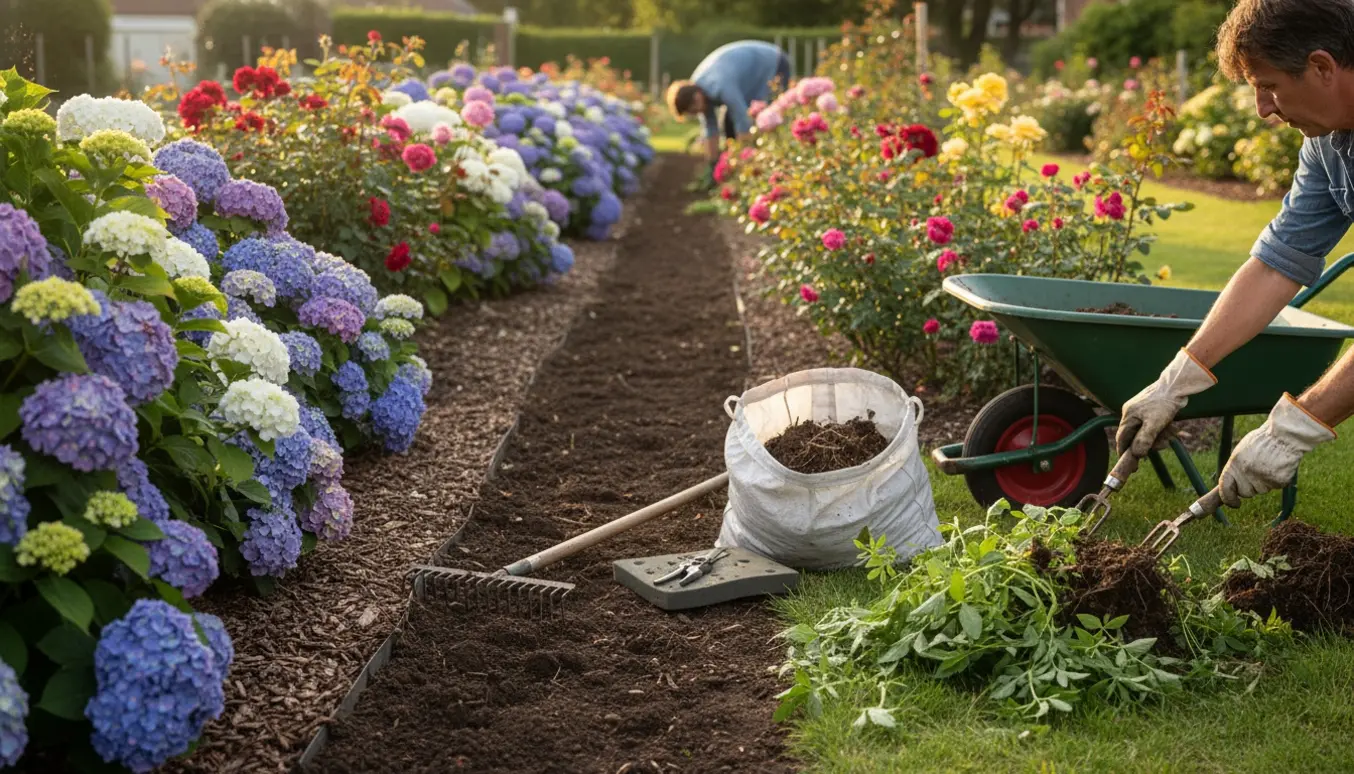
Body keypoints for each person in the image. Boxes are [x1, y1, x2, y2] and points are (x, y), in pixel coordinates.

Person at [1117, 0, 1354, 509]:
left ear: (1322, 67)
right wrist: (1177, 379)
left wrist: (1295, 427)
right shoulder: (1329, 143)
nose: (1262, 109)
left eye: (1268, 85)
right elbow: (1279, 261)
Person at [666, 40, 792, 168]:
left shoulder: (720, 86)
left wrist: (742, 162)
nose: (697, 113)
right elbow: (710, 130)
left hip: (773, 63)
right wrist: (713, 165)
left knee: (770, 118)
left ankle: (774, 163)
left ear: (697, 98)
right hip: (751, 76)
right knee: (729, 124)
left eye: (694, 110)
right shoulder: (699, 91)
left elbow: (742, 120)